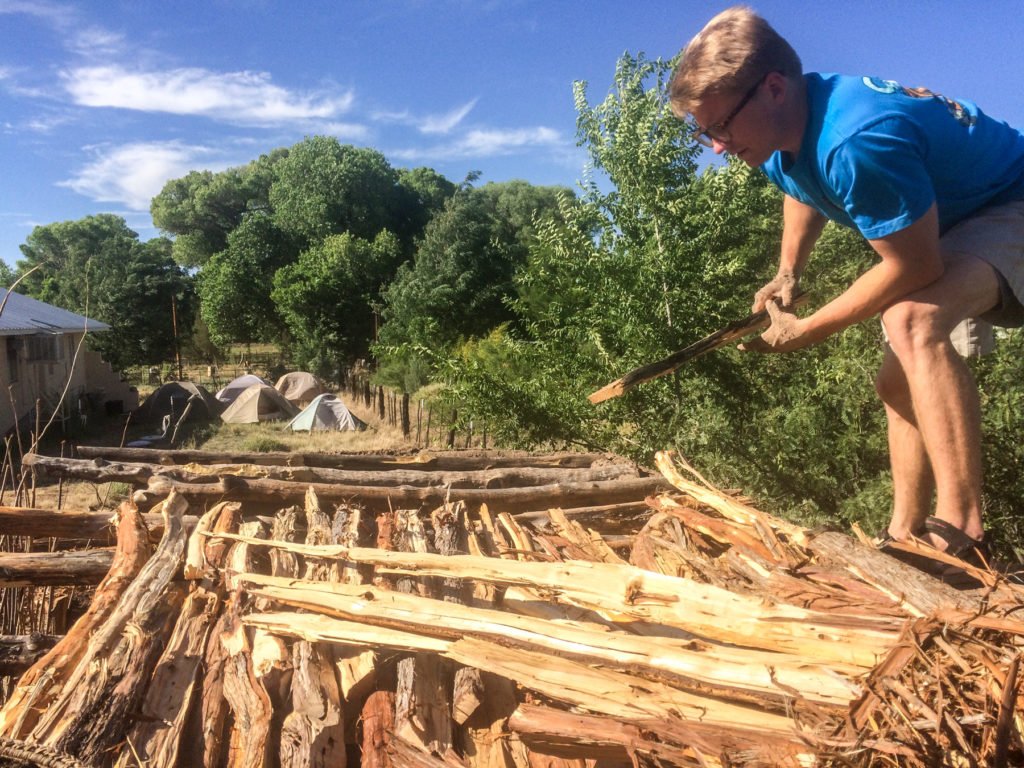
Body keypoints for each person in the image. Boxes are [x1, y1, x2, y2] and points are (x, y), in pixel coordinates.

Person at [669, 6, 1024, 584]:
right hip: (956, 218)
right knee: (894, 377)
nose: (714, 145)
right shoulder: (778, 130)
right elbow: (801, 183)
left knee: (911, 322)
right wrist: (789, 271)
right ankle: (906, 535)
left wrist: (808, 329)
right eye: (704, 131)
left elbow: (914, 263)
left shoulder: (855, 138)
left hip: (1012, 200)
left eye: (719, 128)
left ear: (774, 88)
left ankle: (963, 535)